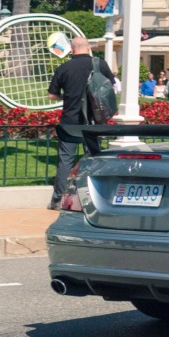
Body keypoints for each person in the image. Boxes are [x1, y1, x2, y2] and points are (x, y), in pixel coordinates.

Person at [46, 36, 114, 210]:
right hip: (94, 121)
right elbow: (110, 88)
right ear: (88, 47)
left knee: (65, 161)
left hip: (70, 121)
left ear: (72, 49)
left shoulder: (64, 67)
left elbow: (52, 95)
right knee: (92, 159)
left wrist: (67, 97)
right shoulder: (100, 65)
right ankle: (91, 197)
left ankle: (58, 199)